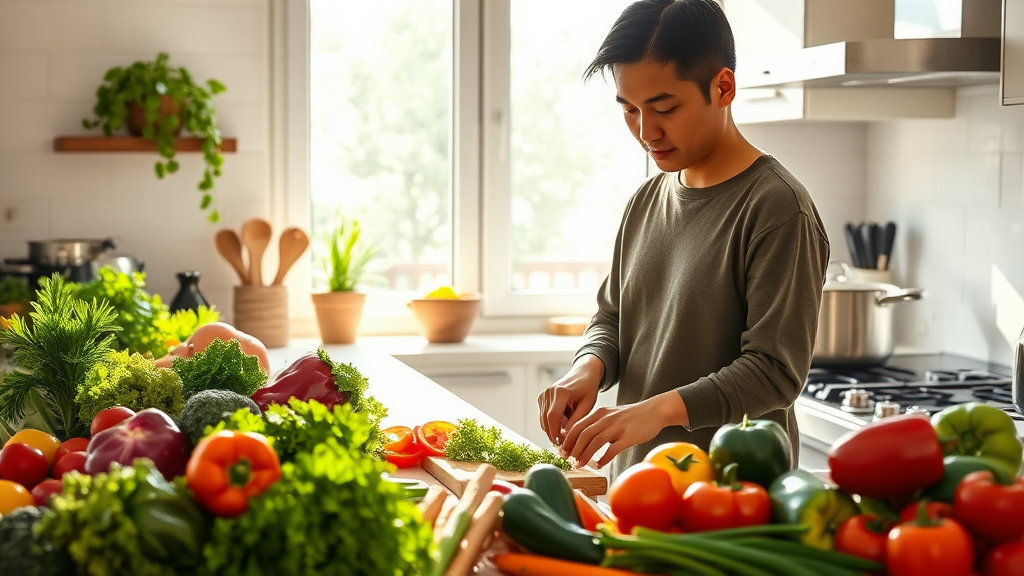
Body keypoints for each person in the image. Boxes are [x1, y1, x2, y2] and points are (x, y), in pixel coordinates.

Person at [537, 0, 830, 480]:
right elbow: (612, 319)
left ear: (723, 87)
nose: (646, 132)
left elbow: (774, 372)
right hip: (638, 489)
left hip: (732, 499)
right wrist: (588, 367)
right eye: (630, 110)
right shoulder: (646, 200)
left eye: (665, 108)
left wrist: (653, 412)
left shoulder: (777, 208)